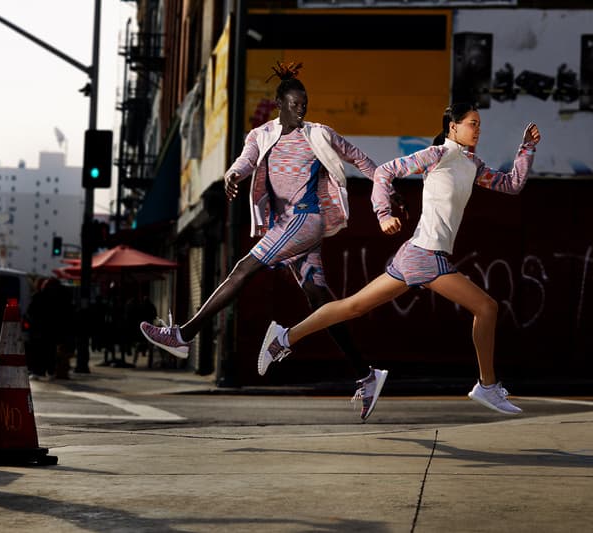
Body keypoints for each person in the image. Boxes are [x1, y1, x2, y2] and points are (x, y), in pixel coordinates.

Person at [140, 61, 404, 414]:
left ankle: (184, 335)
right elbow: (245, 161)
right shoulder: (260, 135)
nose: (300, 110)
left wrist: (388, 189)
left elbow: (362, 160)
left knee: (242, 269)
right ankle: (365, 373)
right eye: (294, 104)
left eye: (304, 104)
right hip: (286, 223)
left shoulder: (319, 134)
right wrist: (232, 176)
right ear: (279, 103)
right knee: (320, 302)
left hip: (306, 220)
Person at [259, 102, 541, 417]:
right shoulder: (437, 156)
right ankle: (487, 386)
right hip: (426, 254)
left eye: (479, 124)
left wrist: (526, 149)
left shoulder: (472, 165)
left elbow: (512, 185)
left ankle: (284, 336)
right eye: (472, 123)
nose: (478, 129)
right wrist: (383, 215)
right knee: (487, 307)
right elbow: (384, 172)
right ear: (453, 128)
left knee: (354, 306)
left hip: (417, 253)